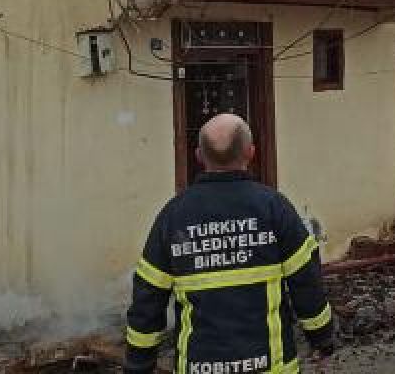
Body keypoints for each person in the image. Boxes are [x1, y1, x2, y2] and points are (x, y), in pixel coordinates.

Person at [125, 114, 335, 374]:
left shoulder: (173, 215)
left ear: (199, 156)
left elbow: (148, 299)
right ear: (251, 153)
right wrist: (322, 341)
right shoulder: (274, 208)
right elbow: (307, 284)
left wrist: (138, 364)